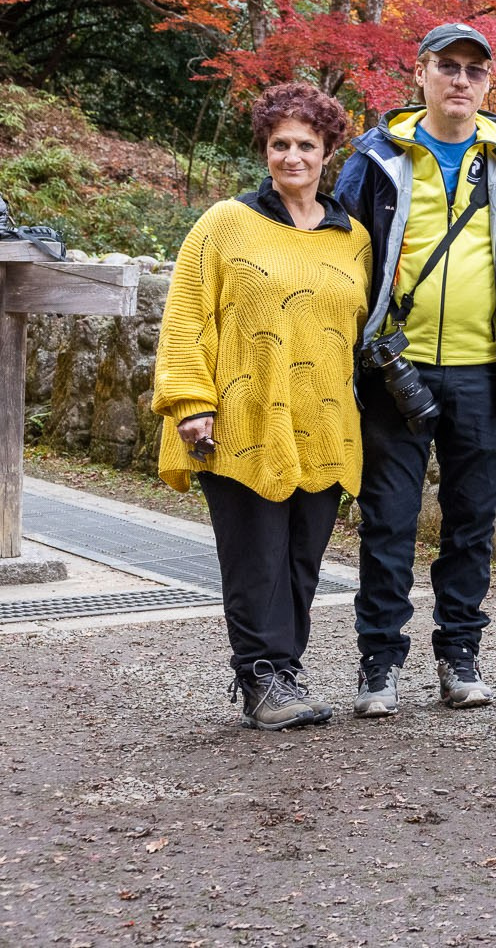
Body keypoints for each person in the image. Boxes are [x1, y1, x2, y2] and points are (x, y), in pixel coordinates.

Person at [153, 83, 372, 730]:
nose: (293, 156)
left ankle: (287, 670)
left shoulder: (353, 237)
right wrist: (193, 402)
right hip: (241, 422)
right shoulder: (224, 223)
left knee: (303, 558)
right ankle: (260, 680)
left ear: (329, 151)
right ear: (265, 150)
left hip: (323, 425)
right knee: (255, 558)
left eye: (307, 144)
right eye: (281, 144)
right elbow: (186, 316)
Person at [336, 21, 496, 718]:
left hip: (485, 371)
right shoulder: (378, 158)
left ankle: (459, 655)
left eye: (474, 70)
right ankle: (379, 664)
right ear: (420, 73)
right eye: (447, 67)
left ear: (488, 82)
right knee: (388, 520)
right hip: (398, 369)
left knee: (471, 523)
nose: (461, 80)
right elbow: (339, 252)